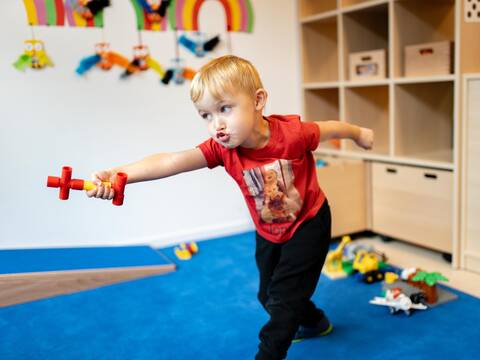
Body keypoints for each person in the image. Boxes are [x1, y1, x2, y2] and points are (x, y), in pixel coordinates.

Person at [86, 55, 374, 360]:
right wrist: (120, 175)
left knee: (284, 299)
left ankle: (269, 354)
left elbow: (329, 128)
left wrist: (358, 133)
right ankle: (315, 321)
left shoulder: (293, 134)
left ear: (258, 100)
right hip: (269, 229)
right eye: (206, 116)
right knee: (267, 295)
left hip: (309, 222)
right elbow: (171, 161)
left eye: (225, 109)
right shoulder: (222, 150)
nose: (217, 125)